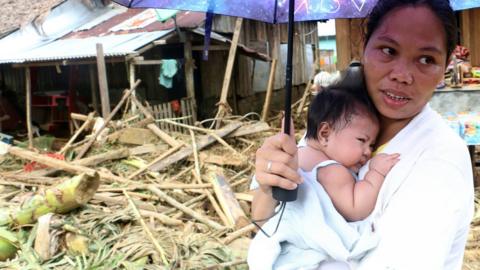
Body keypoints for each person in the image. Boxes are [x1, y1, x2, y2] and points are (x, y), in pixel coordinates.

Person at [251, 0, 475, 269]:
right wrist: (269, 186)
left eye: (427, 59)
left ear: (446, 67)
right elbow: (267, 224)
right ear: (364, 46)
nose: (402, 76)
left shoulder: (440, 163)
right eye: (388, 50)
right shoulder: (341, 120)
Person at [248, 65, 400, 269]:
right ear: (325, 134)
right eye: (362, 140)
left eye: (372, 145)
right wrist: (376, 173)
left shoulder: (297, 156)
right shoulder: (331, 169)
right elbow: (356, 208)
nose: (367, 152)